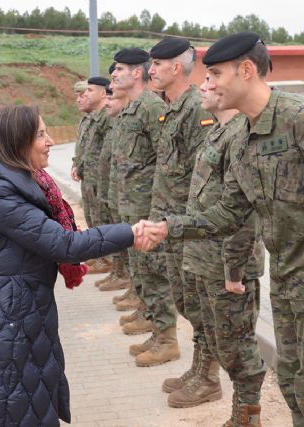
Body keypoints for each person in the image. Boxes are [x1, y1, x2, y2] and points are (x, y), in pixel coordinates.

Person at [139, 32, 304, 426]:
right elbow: (229, 212)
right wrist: (169, 227)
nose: (206, 84)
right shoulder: (244, 136)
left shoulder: (302, 121)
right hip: (288, 281)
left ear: (246, 70)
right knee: (297, 386)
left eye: (214, 75)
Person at [0, 105, 151, 427]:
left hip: (12, 313)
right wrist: (130, 233)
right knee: (2, 407)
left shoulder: (20, 185)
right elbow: (66, 245)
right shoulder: (0, 194)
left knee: (25, 404)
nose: (50, 141)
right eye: (40, 134)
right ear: (15, 142)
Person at [174, 79, 267, 424]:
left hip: (227, 262)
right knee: (216, 336)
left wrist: (234, 267)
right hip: (203, 256)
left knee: (238, 346)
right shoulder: (218, 132)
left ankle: (248, 416)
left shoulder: (241, 135)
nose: (202, 86)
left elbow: (243, 212)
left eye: (212, 79)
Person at [148, 37, 218, 405]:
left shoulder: (195, 109)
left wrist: (188, 223)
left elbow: (203, 173)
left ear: (176, 68)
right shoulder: (169, 109)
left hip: (190, 227)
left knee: (199, 304)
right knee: (186, 303)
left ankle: (208, 378)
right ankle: (198, 366)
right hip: (172, 225)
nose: (151, 70)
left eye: (157, 64)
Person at [109, 48, 178, 353]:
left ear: (137, 73)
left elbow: (165, 157)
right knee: (140, 268)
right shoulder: (130, 109)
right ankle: (153, 324)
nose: (114, 73)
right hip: (131, 206)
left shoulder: (151, 106)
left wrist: (158, 209)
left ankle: (167, 339)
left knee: (154, 270)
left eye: (120, 69)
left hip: (148, 207)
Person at [94, 70, 133, 293]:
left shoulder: (146, 111)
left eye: (111, 97)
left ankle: (133, 288)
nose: (107, 103)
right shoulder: (118, 121)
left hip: (133, 197)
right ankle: (120, 275)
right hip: (117, 191)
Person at [76, 77, 114, 275]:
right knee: (93, 216)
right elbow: (86, 148)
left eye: (89, 91)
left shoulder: (107, 117)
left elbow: (106, 151)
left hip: (101, 178)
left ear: (102, 93)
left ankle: (108, 259)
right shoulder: (92, 118)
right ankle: (100, 255)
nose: (85, 95)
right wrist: (78, 164)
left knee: (103, 218)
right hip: (90, 175)